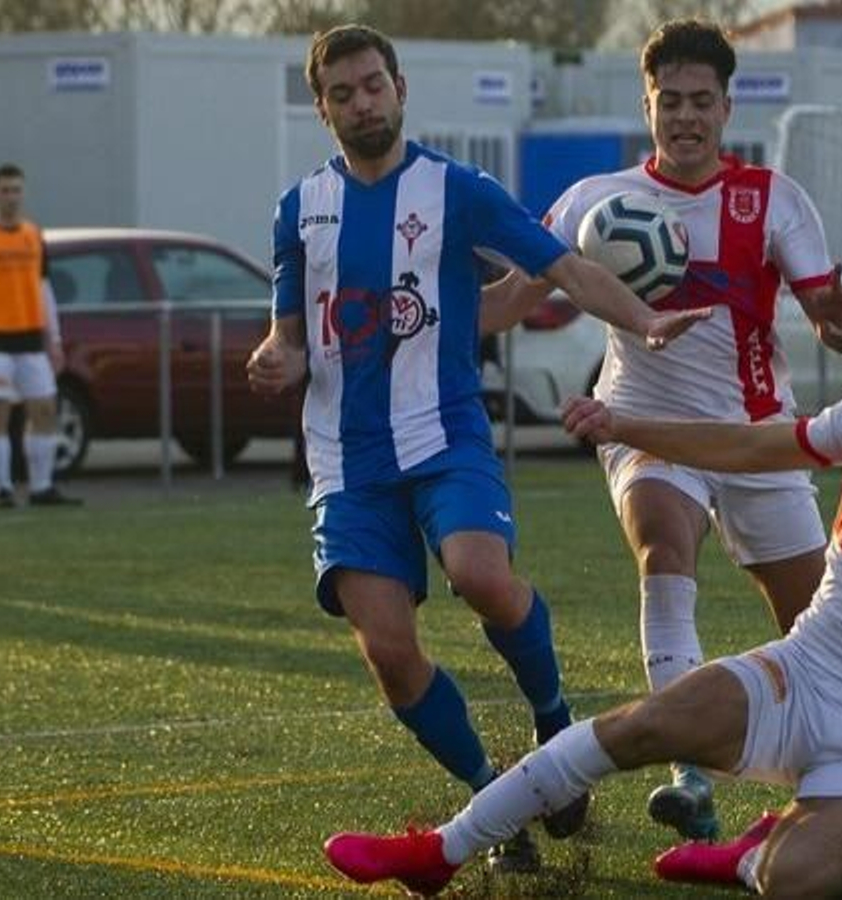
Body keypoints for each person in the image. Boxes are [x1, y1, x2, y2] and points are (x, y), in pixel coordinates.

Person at [320, 291, 842, 897]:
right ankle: (441, 850)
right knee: (645, 725)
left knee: (798, 881)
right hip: (805, 670)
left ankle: (751, 857)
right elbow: (749, 444)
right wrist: (627, 423)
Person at [246, 24, 709, 874]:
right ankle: (499, 797)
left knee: (481, 576)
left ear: (400, 86)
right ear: (322, 107)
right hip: (347, 464)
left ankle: (554, 718)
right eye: (342, 93)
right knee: (388, 651)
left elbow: (563, 268)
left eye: (372, 85)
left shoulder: (457, 190)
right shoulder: (297, 210)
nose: (361, 102)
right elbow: (290, 336)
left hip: (444, 431)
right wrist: (275, 358)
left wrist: (642, 321)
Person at [482, 17, 842, 842]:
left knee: (810, 621)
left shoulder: (771, 198)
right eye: (672, 101)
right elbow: (508, 306)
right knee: (663, 547)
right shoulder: (595, 202)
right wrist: (419, 312)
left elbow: (830, 323)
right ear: (649, 103)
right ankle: (688, 772)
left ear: (728, 108)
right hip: (645, 427)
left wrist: (840, 325)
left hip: (757, 436)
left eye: (703, 102)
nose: (687, 117)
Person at [0, 163, 81, 509]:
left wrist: (53, 338)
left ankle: (41, 486)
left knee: (44, 409)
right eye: (5, 190)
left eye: (16, 190)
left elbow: (43, 288)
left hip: (29, 339)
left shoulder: (32, 235)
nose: (11, 197)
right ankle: (2, 489)